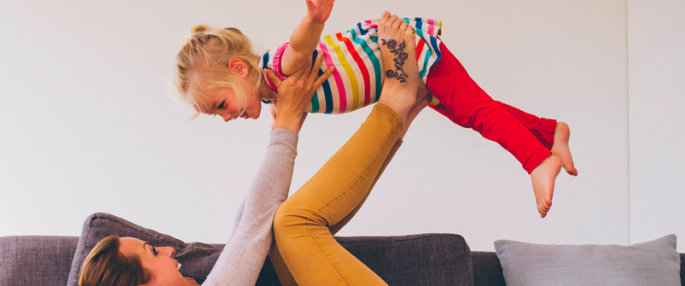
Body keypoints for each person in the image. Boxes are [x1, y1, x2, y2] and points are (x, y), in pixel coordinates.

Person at [56, 15, 453, 286]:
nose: (169, 252)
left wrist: (284, 122)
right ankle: (396, 101)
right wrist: (289, 123)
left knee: (279, 231)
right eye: (152, 252)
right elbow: (250, 231)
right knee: (291, 223)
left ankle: (399, 111)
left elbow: (248, 225)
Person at [174, 4, 577, 218]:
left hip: (405, 53)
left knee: (474, 110)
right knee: (470, 111)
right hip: (401, 66)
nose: (226, 117)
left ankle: (536, 160)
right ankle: (548, 132)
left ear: (240, 69)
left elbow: (300, 46)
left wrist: (313, 18)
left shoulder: (279, 68)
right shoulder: (278, 99)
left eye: (220, 106)